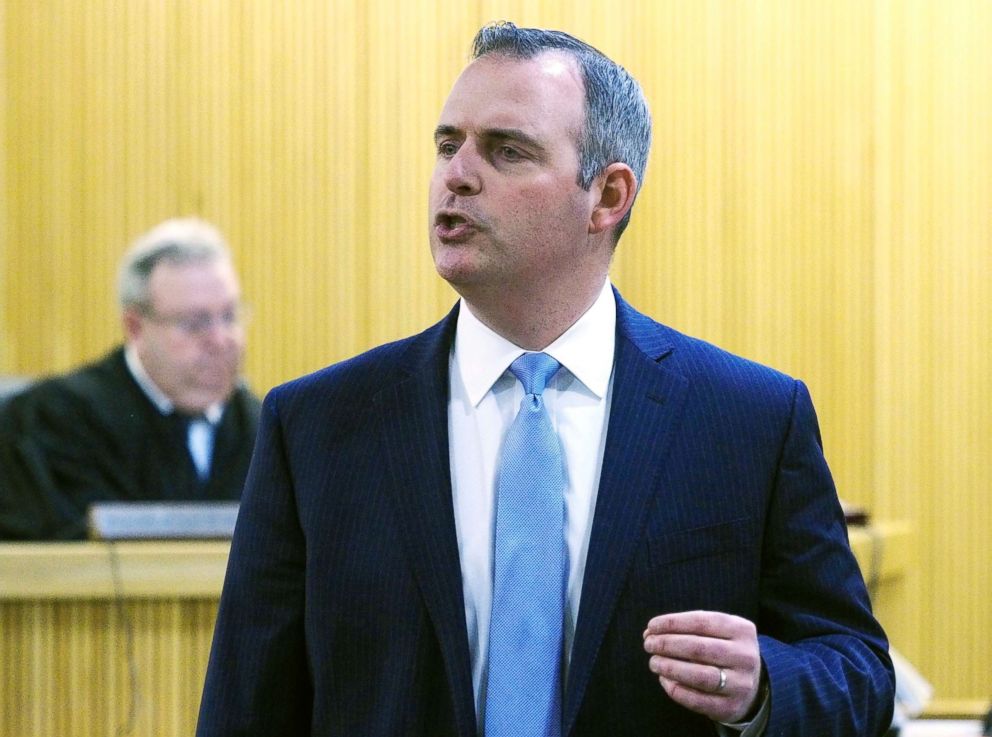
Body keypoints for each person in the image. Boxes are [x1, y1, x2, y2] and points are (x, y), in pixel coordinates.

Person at [197, 23, 894, 737]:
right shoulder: (316, 425)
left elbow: (860, 671)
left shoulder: (747, 417)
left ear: (607, 196)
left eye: (507, 150)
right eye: (447, 144)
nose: (457, 174)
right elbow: (245, 707)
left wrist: (762, 686)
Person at [0, 218, 260, 540]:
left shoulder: (263, 427)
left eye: (230, 316)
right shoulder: (58, 419)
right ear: (136, 327)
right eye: (196, 323)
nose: (221, 340)